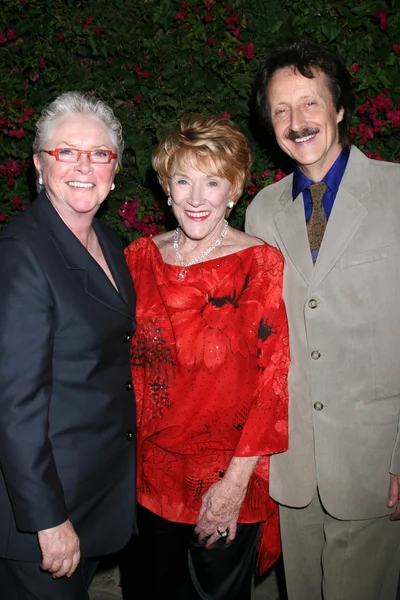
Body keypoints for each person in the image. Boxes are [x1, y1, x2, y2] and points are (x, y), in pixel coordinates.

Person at [246, 38, 400, 600]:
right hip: (293, 465)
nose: (296, 121)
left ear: (339, 108)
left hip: (374, 462)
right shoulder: (262, 209)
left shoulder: (396, 192)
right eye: (281, 109)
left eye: (310, 103)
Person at [124, 114, 289, 600]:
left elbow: (273, 382)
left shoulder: (260, 264)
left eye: (212, 181)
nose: (197, 198)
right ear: (166, 188)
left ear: (233, 189)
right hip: (146, 480)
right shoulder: (137, 258)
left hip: (223, 480)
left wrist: (234, 486)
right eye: (183, 180)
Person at [0, 91, 137, 600]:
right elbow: (14, 405)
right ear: (39, 164)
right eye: (66, 152)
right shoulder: (22, 254)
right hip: (41, 514)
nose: (84, 166)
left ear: (114, 169)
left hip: (93, 493)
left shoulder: (107, 240)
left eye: (99, 154)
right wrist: (48, 518)